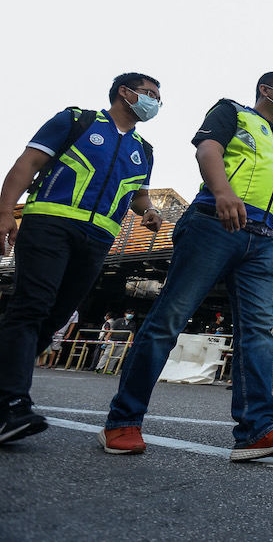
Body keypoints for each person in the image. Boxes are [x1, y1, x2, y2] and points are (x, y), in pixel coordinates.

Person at [102, 72, 273, 461]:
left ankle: (256, 431)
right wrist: (223, 192)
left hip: (262, 237)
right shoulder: (232, 111)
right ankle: (122, 422)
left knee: (258, 334)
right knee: (168, 321)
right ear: (266, 90)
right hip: (214, 221)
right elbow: (207, 150)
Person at [0, 73, 162, 445]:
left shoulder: (144, 149)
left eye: (158, 98)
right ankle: (11, 403)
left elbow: (138, 193)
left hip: (98, 238)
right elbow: (27, 164)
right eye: (149, 93)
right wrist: (6, 211)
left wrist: (149, 210)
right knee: (32, 306)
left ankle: (5, 390)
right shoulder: (76, 121)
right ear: (125, 92)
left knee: (55, 317)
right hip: (50, 224)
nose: (154, 102)